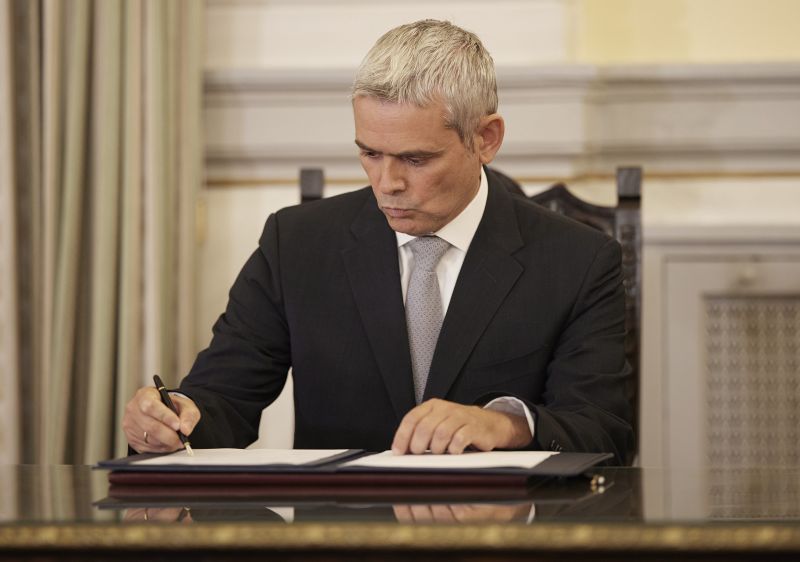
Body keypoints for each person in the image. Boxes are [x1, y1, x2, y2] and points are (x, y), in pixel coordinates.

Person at [122, 19, 634, 463]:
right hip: (343, 529)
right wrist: (173, 420)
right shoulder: (296, 244)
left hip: (501, 529)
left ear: (486, 139)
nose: (386, 184)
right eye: (369, 154)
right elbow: (222, 400)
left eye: (415, 159)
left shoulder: (579, 260)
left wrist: (508, 425)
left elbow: (603, 431)